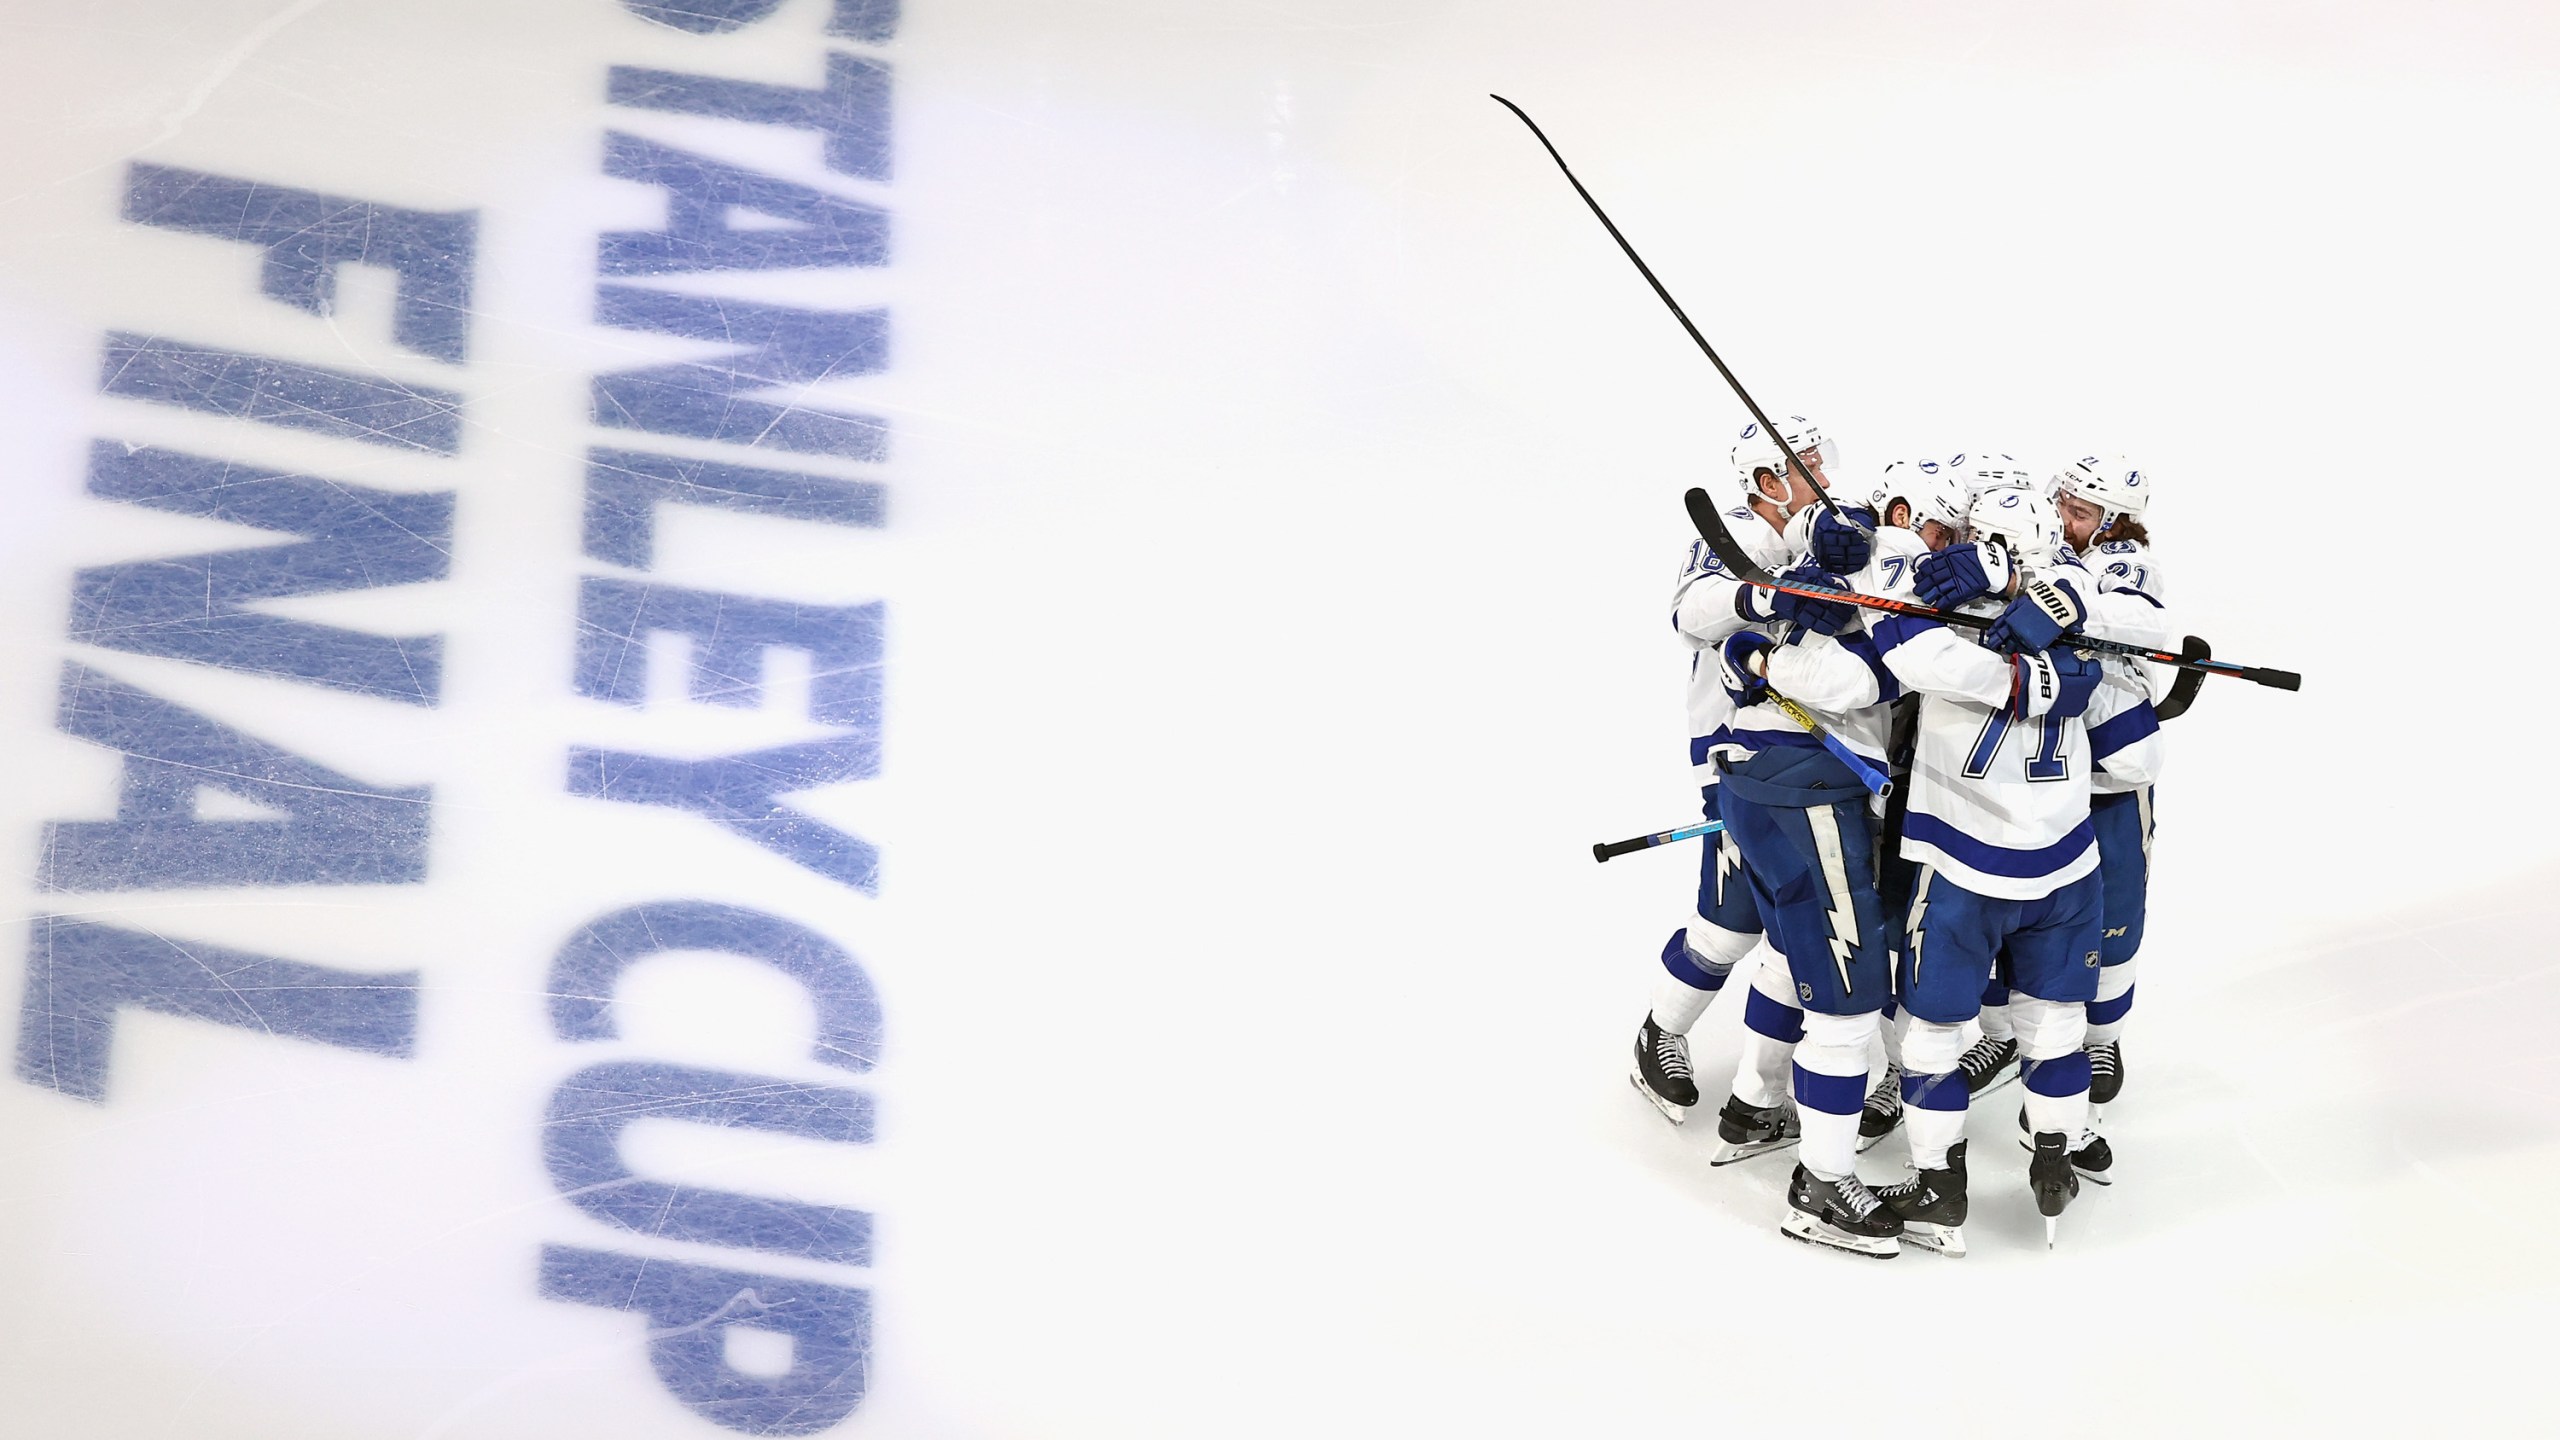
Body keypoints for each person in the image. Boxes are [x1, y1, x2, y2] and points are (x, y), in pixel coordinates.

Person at [1776, 478, 2108, 1252]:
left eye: (1960, 537)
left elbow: (1903, 647)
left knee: (1930, 1037)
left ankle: (1938, 1188)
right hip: (2067, 866)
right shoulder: (2081, 618)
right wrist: (2044, 649)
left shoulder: (1941, 641)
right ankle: (2055, 1154)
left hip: (1967, 869)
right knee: (2055, 1022)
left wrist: (1865, 562)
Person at [1708, 442, 1912, 1256]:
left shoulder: (1843, 560)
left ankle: (1754, 1104)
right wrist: (1786, 635)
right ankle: (1821, 1186)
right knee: (1850, 1001)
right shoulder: (1866, 570)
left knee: (1790, 960)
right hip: (1811, 796)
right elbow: (1854, 682)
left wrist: (1760, 650)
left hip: (1753, 785)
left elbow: (1746, 658)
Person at [1628, 417, 1836, 1167]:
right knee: (1730, 928)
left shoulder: (1824, 534)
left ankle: (1759, 1096)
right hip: (1734, 763)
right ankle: (1664, 1031)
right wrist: (1762, 596)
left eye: (1820, 460)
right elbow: (1690, 614)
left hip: (1811, 765)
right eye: (1804, 465)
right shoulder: (1738, 535)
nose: (1820, 475)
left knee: (1788, 933)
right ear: (1764, 479)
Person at [2050, 456, 2172, 1127]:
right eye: (2063, 503)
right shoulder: (2038, 539)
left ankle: (2102, 1041)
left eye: (2081, 512)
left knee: (2115, 907)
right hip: (2042, 770)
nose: (2066, 519)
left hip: (2112, 780)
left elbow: (2142, 620)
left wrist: (2066, 605)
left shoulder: (2126, 561)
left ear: (2115, 522)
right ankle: (2008, 1029)